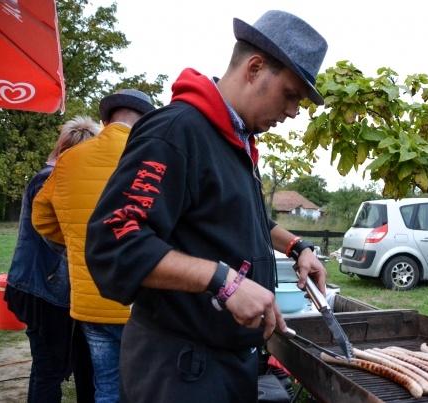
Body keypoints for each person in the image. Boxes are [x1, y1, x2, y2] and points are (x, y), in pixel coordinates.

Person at [84, 10, 329, 402]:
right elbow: (114, 242)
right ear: (254, 68)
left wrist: (296, 246)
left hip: (225, 365)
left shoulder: (235, 142)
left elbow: (243, 219)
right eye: (291, 94)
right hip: (179, 371)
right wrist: (224, 281)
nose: (294, 112)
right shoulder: (176, 131)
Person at [32, 89, 155, 403]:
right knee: (146, 389)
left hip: (90, 302)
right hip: (141, 303)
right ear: (146, 122)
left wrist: (76, 239)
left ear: (105, 120)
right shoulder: (153, 159)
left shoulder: (70, 159)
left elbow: (42, 218)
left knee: (107, 387)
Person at [4, 116, 99, 403]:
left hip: (53, 289)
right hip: (42, 289)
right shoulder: (49, 179)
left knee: (75, 362)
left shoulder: (51, 176)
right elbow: (58, 235)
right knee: (49, 368)